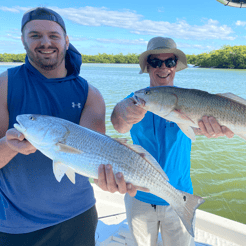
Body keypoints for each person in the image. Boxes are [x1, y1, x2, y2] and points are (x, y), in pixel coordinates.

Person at [0, 7, 119, 246]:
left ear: (66, 40)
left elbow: (94, 157)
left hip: (79, 217)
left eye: (54, 35)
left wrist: (111, 179)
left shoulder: (90, 94)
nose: (45, 42)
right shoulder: (4, 84)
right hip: (15, 224)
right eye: (35, 35)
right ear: (23, 40)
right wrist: (8, 146)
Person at [108, 37, 234, 246]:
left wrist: (215, 129)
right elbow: (119, 124)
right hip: (139, 196)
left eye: (170, 62)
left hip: (180, 195)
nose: (163, 67)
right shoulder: (137, 99)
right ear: (147, 66)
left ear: (176, 66)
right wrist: (123, 113)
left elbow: (199, 129)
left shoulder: (191, 101)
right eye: (156, 62)